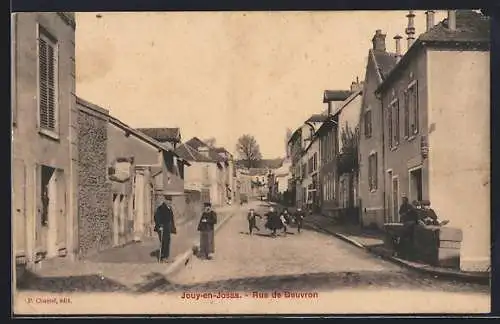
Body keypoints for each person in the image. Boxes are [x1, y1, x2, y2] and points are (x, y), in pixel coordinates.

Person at [154, 195, 177, 262]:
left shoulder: (169, 208)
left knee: (167, 241)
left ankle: (166, 256)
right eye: (168, 201)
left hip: (167, 228)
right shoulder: (160, 208)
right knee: (164, 242)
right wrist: (159, 225)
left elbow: (171, 219)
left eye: (170, 201)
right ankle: (163, 257)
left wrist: (173, 228)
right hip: (162, 227)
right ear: (165, 201)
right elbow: (156, 217)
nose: (169, 202)